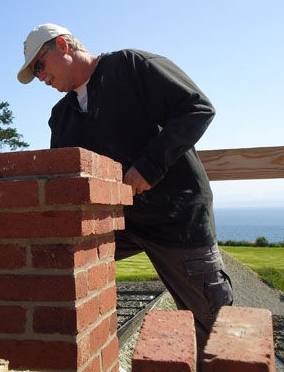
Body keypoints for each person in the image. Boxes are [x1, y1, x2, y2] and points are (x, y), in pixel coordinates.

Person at [17, 23, 233, 366]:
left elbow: (197, 108)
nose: (40, 77)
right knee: (56, 265)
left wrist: (149, 166)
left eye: (40, 66)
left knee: (216, 322)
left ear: (62, 45)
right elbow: (65, 181)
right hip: (117, 223)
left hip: (176, 217)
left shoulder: (132, 66)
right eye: (34, 72)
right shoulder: (61, 117)